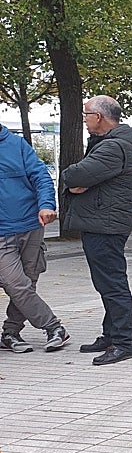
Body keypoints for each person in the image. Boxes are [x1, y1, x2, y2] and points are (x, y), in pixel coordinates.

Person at [60, 96, 132, 366]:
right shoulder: (110, 144)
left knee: (112, 284)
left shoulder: (113, 147)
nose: (83, 119)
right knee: (106, 283)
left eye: (86, 114)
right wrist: (79, 184)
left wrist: (75, 182)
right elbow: (81, 180)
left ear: (99, 116)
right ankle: (111, 335)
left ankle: (123, 343)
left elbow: (73, 176)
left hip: (105, 225)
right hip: (102, 222)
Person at [0, 123, 70, 353]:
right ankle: (53, 326)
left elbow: (40, 175)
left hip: (31, 225)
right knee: (16, 285)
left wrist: (47, 205)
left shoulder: (16, 144)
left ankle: (10, 333)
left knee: (28, 282)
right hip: (2, 233)